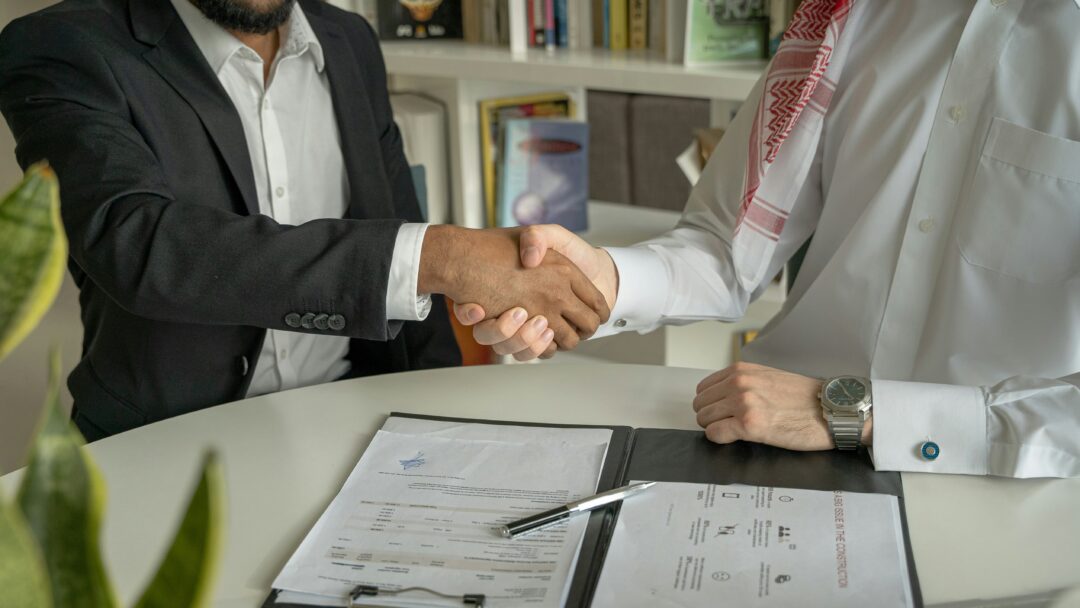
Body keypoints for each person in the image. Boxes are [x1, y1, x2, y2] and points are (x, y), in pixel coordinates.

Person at [459, 0, 1080, 478]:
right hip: (767, 446)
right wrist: (600, 282)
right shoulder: (849, 14)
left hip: (1003, 485)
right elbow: (727, 249)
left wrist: (859, 415)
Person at [0, 0, 608, 440]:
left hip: (359, 424)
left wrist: (447, 423)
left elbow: (399, 223)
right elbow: (139, 244)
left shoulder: (350, 41)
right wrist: (444, 256)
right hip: (164, 445)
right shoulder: (61, 46)